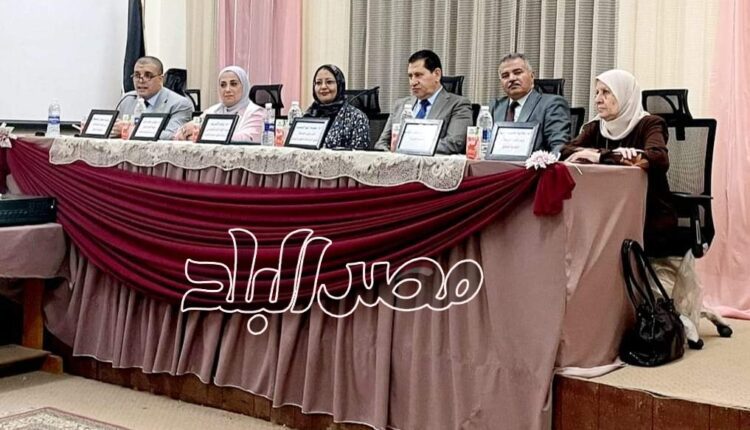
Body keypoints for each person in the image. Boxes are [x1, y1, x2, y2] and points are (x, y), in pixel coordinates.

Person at [560, 70, 733, 348]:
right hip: (610, 216)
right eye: (596, 93)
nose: (598, 100)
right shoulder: (595, 128)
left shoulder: (650, 123)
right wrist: (608, 154)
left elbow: (658, 158)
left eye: (606, 93)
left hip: (652, 216)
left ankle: (669, 316)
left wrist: (600, 155)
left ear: (624, 95)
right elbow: (565, 151)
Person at [375, 50, 472, 154]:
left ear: (437, 74)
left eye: (418, 75)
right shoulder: (400, 105)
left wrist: (408, 147)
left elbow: (453, 143)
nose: (413, 82)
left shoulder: (458, 105)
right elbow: (381, 143)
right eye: (410, 76)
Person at [490, 53, 571, 154]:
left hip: (534, 163)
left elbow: (559, 146)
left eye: (517, 73)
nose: (511, 78)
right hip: (497, 163)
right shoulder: (495, 107)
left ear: (532, 76)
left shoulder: (552, 104)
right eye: (505, 76)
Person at [175, 66, 264, 142]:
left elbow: (247, 138)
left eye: (233, 84)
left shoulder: (256, 112)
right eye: (223, 85)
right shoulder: (213, 110)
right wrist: (184, 131)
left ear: (244, 86)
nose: (227, 89)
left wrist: (204, 135)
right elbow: (181, 134)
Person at [112, 56, 193, 140]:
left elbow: (174, 136)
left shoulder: (179, 104)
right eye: (137, 75)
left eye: (148, 76)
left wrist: (132, 131)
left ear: (161, 79)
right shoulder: (127, 99)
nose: (141, 81)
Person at [304, 64, 370, 150]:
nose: (323, 87)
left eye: (329, 82)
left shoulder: (357, 118)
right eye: (318, 83)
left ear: (339, 85)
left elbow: (360, 155)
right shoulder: (308, 115)